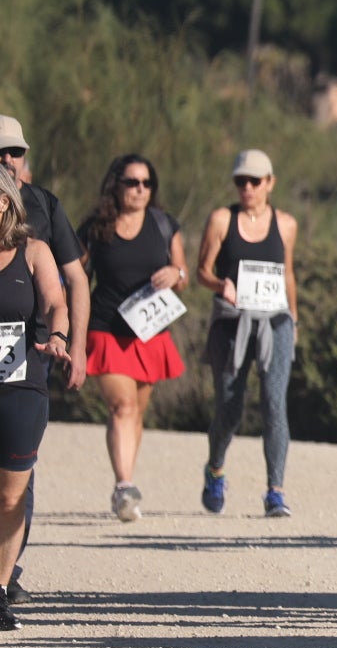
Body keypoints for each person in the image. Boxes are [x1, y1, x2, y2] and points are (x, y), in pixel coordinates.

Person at [0, 115, 86, 604]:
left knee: (15, 480)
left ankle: (6, 577)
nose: (6, 161)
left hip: (29, 360)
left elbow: (71, 284)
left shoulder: (45, 210)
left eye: (13, 152)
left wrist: (70, 340)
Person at [80, 154, 189, 521]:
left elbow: (183, 273)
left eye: (146, 183)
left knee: (138, 411)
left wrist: (176, 274)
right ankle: (123, 485)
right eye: (132, 182)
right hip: (106, 328)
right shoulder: (95, 228)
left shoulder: (163, 224)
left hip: (150, 331)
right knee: (121, 406)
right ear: (116, 185)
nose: (140, 190)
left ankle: (127, 486)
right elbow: (76, 275)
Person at [195, 149, 299, 518]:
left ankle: (275, 490)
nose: (248, 188)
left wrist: (294, 321)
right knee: (230, 407)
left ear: (270, 183)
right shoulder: (222, 219)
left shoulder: (285, 224)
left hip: (275, 321)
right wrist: (220, 283)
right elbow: (201, 270)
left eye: (255, 181)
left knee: (274, 403)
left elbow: (287, 273)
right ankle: (216, 468)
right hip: (232, 322)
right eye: (241, 181)